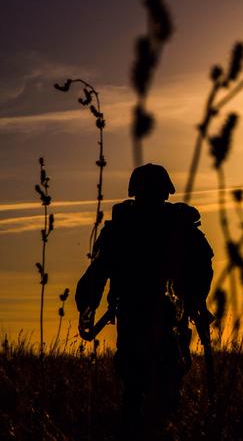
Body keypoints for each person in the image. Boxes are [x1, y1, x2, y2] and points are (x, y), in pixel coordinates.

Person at [75, 163, 213, 438]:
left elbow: (98, 271)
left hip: (143, 312)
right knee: (159, 379)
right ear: (167, 191)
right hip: (161, 313)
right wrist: (197, 303)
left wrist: (87, 307)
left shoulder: (123, 227)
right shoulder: (176, 225)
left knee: (141, 382)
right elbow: (202, 269)